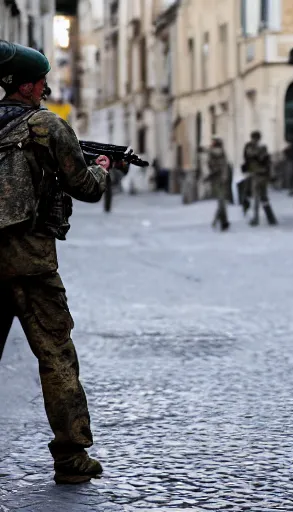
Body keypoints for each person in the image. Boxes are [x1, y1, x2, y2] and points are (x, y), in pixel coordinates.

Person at [0, 40, 110, 484]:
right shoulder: (46, 125)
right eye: (42, 81)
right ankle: (70, 456)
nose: (46, 89)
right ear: (27, 85)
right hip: (30, 263)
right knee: (57, 357)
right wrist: (101, 167)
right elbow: (85, 186)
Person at [243, 131, 277, 226]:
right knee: (263, 197)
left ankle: (256, 219)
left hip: (256, 175)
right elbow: (268, 161)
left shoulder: (251, 147)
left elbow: (248, 157)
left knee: (257, 198)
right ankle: (271, 219)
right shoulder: (263, 148)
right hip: (263, 175)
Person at [205, 137, 230, 231]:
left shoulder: (212, 154)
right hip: (221, 180)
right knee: (222, 202)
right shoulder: (222, 154)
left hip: (217, 180)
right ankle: (221, 221)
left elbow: (211, 166)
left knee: (221, 202)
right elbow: (224, 168)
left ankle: (221, 222)